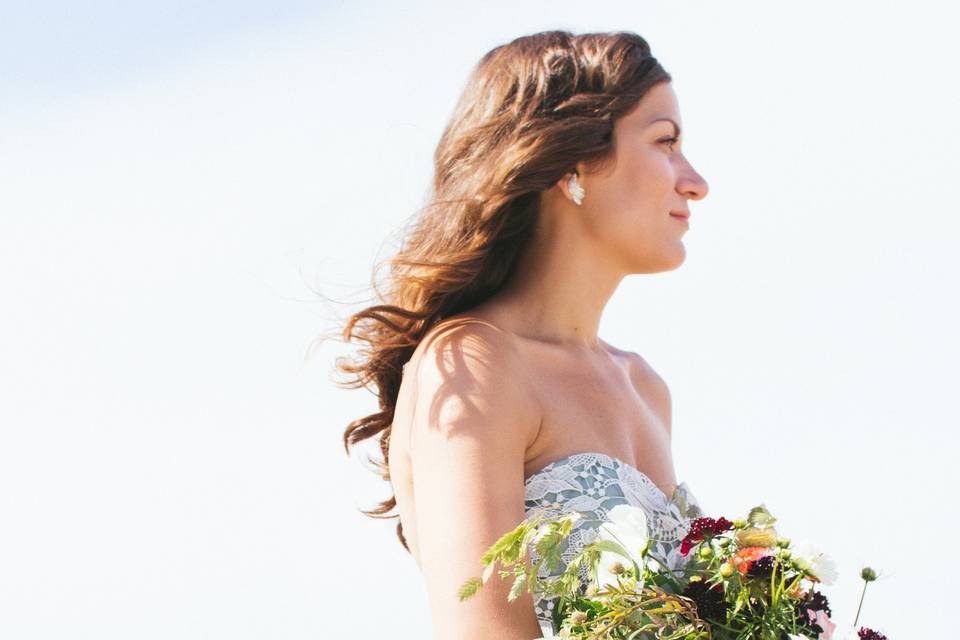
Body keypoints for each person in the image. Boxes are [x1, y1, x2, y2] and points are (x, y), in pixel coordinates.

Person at [338, 29, 709, 639]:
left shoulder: (644, 386)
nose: (694, 181)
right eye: (665, 142)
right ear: (570, 162)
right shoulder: (473, 364)